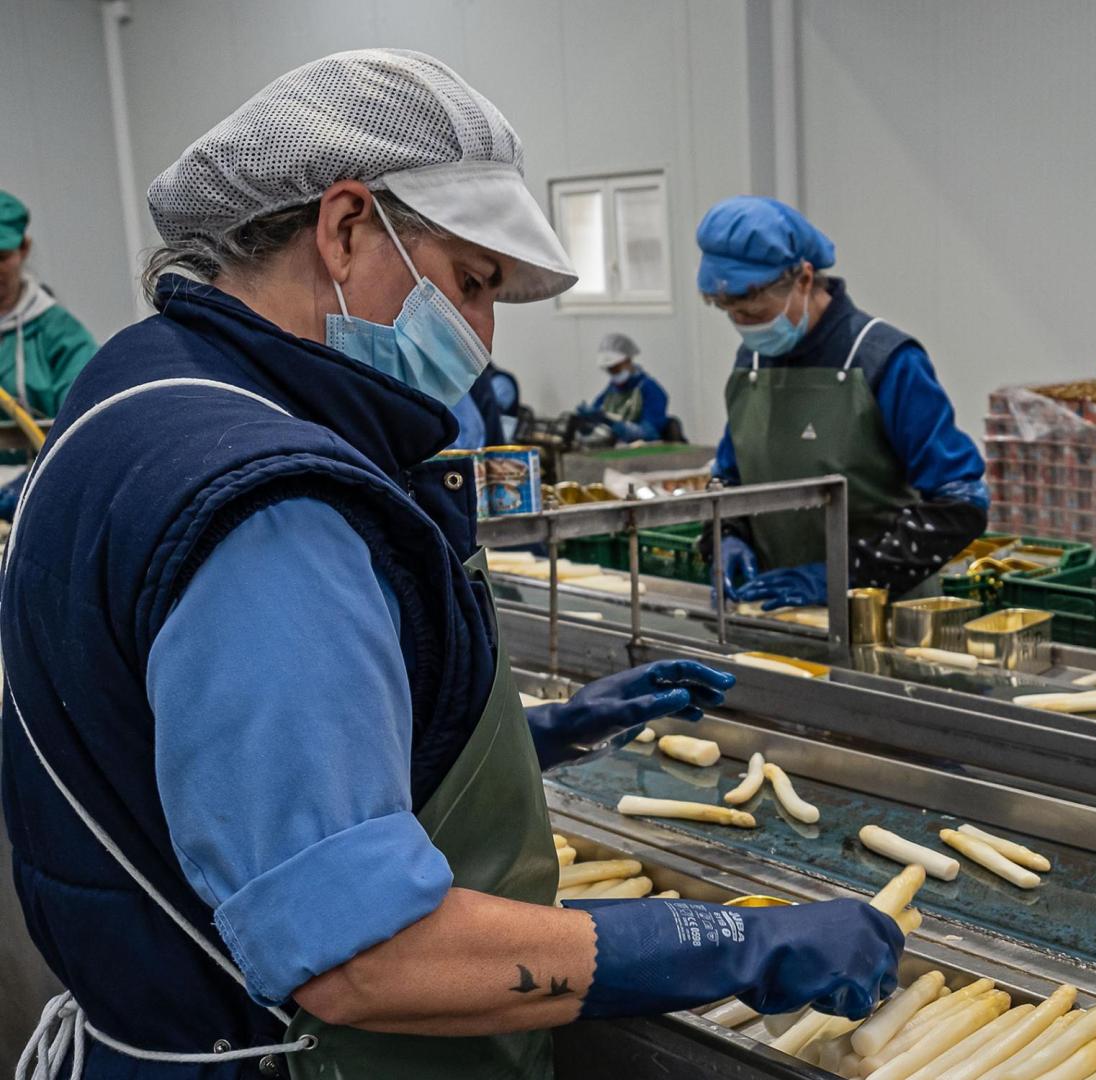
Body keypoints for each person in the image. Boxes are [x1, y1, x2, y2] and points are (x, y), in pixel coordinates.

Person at [2, 50, 901, 1079]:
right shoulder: (270, 504)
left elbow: (225, 757)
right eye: (470, 284)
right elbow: (362, 954)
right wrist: (733, 941)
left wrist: (548, 731)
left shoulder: (140, 387)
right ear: (343, 229)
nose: (478, 339)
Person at [697, 195, 988, 609]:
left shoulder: (885, 361)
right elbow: (731, 477)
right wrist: (727, 535)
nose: (744, 326)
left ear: (803, 279)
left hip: (884, 618)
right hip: (776, 609)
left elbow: (960, 502)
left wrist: (848, 574)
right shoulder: (752, 364)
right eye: (732, 314)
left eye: (755, 311)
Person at [0, 190, 98, 420]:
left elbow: (82, 416)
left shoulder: (60, 334)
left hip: (35, 456)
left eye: (1, 256)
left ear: (24, 248)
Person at [576, 332, 672, 443]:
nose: (613, 373)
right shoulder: (610, 390)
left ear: (628, 361)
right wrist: (586, 424)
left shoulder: (651, 390)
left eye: (616, 368)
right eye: (609, 370)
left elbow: (649, 433)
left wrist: (611, 423)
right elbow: (596, 416)